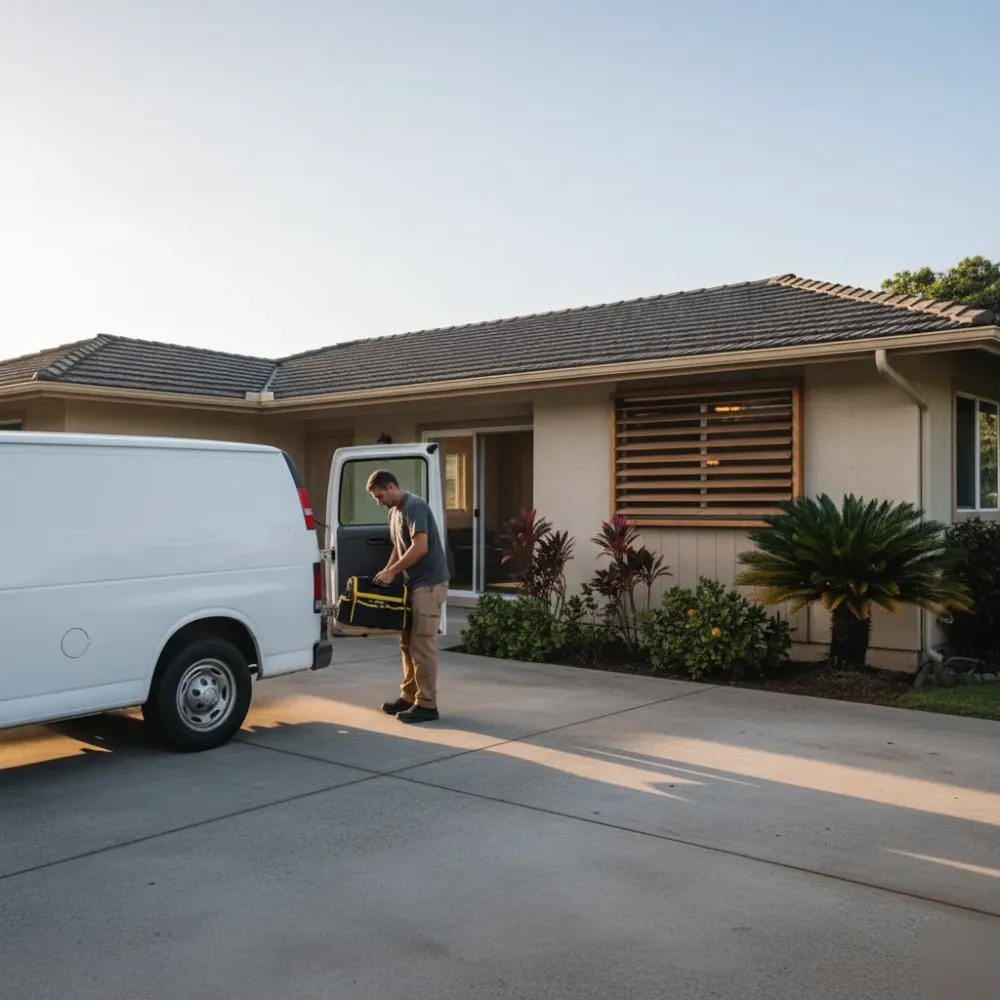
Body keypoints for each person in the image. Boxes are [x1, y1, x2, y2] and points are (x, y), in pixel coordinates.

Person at [366, 469, 449, 724]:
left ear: (391, 486)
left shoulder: (415, 506)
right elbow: (399, 546)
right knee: (406, 644)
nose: (379, 502)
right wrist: (387, 570)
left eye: (380, 496)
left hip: (429, 584)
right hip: (412, 585)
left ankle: (427, 704)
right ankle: (408, 696)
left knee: (422, 645)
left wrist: (393, 571)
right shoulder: (395, 512)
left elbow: (420, 547)